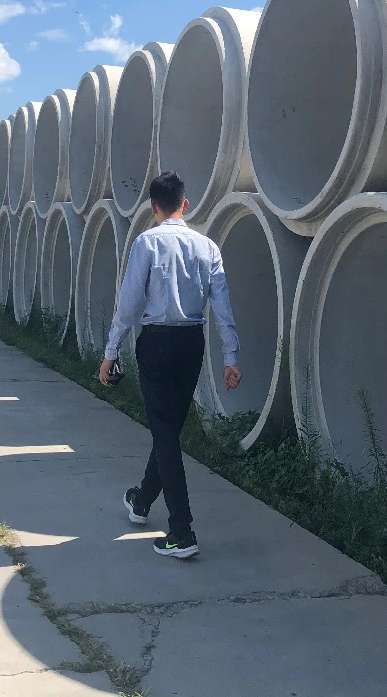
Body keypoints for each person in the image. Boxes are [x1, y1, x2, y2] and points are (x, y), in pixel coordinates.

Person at [100, 171, 241, 559]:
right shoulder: (208, 247)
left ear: (153, 207)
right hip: (191, 344)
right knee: (168, 431)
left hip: (158, 344)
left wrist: (111, 352)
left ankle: (181, 531)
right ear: (185, 204)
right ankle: (141, 500)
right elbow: (223, 307)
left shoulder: (147, 243)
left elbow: (129, 305)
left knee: (165, 434)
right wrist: (230, 357)